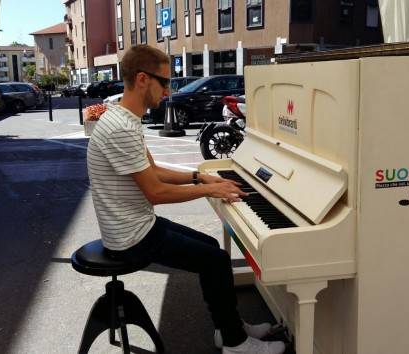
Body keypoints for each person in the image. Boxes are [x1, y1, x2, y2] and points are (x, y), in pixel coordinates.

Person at [87, 44, 286, 354]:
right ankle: (234, 342)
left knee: (211, 249)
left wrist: (199, 176)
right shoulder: (120, 128)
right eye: (164, 82)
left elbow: (152, 170)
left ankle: (228, 327)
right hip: (131, 237)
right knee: (216, 261)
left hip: (135, 225)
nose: (168, 90)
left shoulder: (123, 119)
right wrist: (211, 189)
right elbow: (156, 191)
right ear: (142, 79)